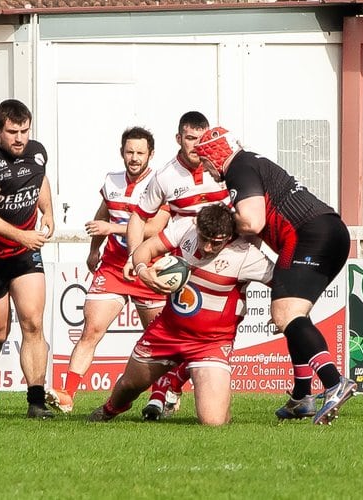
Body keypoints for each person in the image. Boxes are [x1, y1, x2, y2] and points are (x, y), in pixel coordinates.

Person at [194, 126, 354, 425]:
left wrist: (226, 222)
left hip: (307, 234)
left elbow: (252, 223)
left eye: (204, 162)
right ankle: (302, 396)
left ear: (214, 156)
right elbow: (256, 232)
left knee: (285, 315)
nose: (204, 169)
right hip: (331, 232)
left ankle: (334, 382)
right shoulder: (251, 163)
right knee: (292, 316)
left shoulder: (238, 168)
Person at [88, 204, 274, 426]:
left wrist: (283, 311)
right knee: (129, 385)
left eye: (216, 242)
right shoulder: (185, 227)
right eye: (204, 238)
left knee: (213, 422)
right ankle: (109, 409)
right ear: (197, 227)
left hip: (211, 343)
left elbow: (286, 283)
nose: (207, 247)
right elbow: (145, 250)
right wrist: (142, 271)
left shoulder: (245, 255)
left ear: (230, 236)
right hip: (166, 332)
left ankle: (180, 375)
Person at [46, 127, 169, 414]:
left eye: (140, 153)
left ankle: (160, 398)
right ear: (121, 152)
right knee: (92, 329)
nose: (134, 158)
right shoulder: (112, 181)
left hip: (147, 268)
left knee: (157, 337)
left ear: (151, 154)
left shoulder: (160, 183)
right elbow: (102, 215)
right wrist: (93, 249)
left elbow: (152, 228)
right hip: (113, 267)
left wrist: (110, 228)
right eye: (129, 152)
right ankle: (68, 394)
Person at [122, 111, 231, 420]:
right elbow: (139, 216)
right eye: (190, 138)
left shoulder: (222, 168)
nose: (197, 145)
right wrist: (135, 256)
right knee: (186, 329)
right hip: (188, 265)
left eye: (202, 138)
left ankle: (169, 385)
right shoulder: (166, 176)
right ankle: (159, 393)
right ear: (179, 139)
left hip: (228, 263)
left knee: (216, 330)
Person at [0, 99, 56, 419]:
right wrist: (22, 235)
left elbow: (39, 179)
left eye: (24, 131)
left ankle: (36, 400)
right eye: (12, 132)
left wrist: (48, 211)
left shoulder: (37, 151)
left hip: (24, 255)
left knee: (33, 322)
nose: (20, 138)